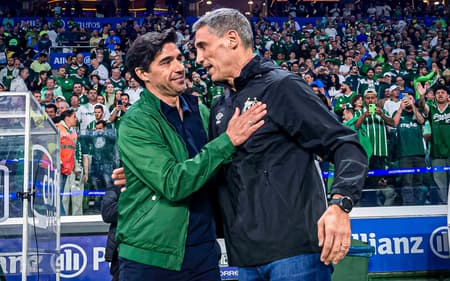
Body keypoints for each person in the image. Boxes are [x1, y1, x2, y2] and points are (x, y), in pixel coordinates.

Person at [191, 8, 368, 280]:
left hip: (295, 254)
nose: (199, 59)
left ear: (232, 39)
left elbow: (345, 144)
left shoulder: (281, 86)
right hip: (246, 258)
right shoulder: (220, 105)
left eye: (203, 47)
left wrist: (340, 204)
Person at [115, 29, 267, 281]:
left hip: (204, 251)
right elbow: (174, 183)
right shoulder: (136, 122)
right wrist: (227, 141)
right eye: (166, 62)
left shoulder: (202, 112)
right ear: (143, 74)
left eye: (179, 59)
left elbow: (220, 166)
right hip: (151, 256)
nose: (179, 67)